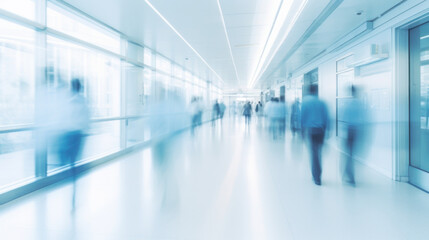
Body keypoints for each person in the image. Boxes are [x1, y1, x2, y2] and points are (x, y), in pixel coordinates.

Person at [301, 84, 329, 185]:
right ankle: (318, 174)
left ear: (309, 91)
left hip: (311, 130)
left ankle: (316, 176)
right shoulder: (321, 102)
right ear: (316, 91)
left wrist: (302, 130)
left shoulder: (305, 102)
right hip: (321, 130)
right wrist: (327, 130)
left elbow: (302, 117)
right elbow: (326, 117)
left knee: (314, 153)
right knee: (318, 152)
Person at [342, 85, 367, 185]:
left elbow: (344, 118)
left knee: (349, 154)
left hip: (349, 131)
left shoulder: (348, 104)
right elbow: (364, 118)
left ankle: (349, 175)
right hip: (357, 131)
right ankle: (348, 173)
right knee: (351, 154)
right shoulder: (360, 104)